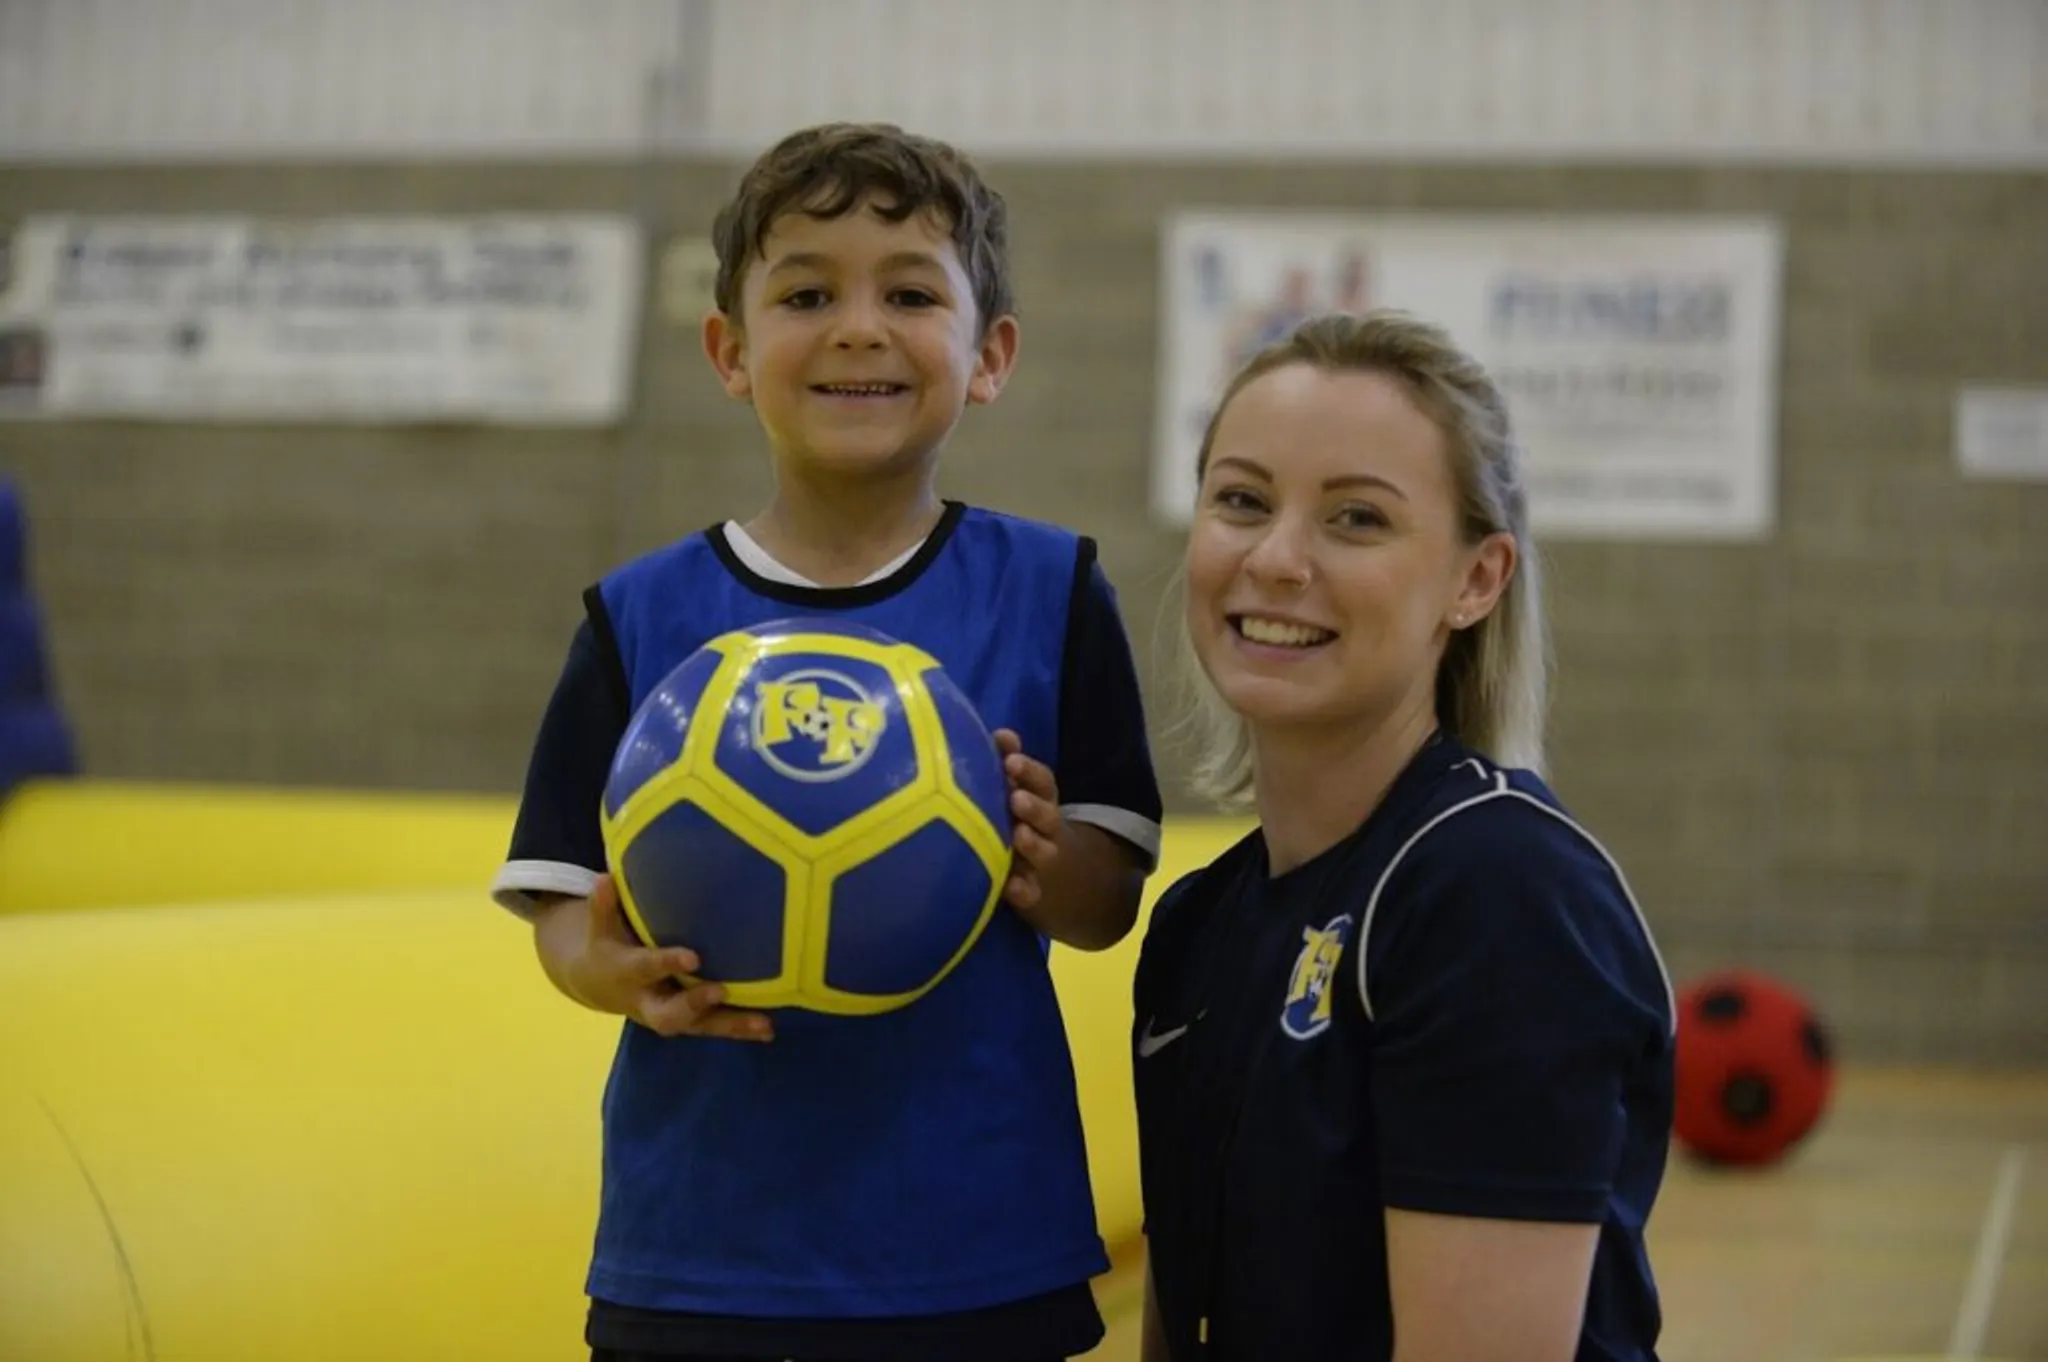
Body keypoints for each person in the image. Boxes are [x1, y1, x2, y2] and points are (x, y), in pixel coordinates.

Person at [491, 121, 1164, 1362]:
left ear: (988, 355)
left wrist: (1036, 853)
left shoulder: (1051, 588)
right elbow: (558, 906)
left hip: (972, 1237)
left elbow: (1105, 899)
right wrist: (615, 978)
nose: (858, 326)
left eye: (909, 293)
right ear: (731, 352)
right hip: (701, 1251)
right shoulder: (638, 617)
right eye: (807, 293)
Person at [1131, 310, 1673, 1361]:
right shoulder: (1198, 922)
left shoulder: (1496, 894)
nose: (1277, 559)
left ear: (1475, 581)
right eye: (1241, 501)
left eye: (1355, 520)